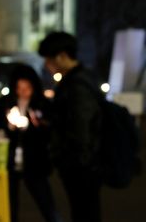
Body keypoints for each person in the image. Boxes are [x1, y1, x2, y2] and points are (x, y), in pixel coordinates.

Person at [38, 32, 103, 222]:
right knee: (83, 211)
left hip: (82, 167)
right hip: (82, 165)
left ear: (62, 56)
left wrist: (71, 161)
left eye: (49, 60)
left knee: (85, 212)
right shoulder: (78, 80)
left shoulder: (77, 85)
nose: (46, 65)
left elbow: (81, 129)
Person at [0, 63, 61, 222]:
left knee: (46, 202)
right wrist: (9, 126)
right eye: (19, 87)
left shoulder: (42, 104)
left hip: (34, 160)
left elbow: (51, 131)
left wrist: (38, 125)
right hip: (10, 160)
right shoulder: (6, 103)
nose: (23, 92)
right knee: (9, 203)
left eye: (27, 87)